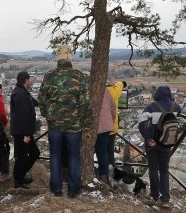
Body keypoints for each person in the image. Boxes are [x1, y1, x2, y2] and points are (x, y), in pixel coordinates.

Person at [38, 47, 93, 198]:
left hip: (55, 124)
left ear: (58, 58)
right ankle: (73, 189)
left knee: (55, 154)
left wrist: (47, 115)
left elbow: (41, 99)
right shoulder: (78, 76)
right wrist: (88, 123)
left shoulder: (49, 76)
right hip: (74, 126)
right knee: (74, 155)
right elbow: (85, 103)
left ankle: (56, 188)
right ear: (70, 58)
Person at [138, 85, 181, 208]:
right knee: (164, 169)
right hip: (167, 143)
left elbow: (141, 124)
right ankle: (165, 199)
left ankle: (155, 196)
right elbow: (179, 115)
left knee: (153, 168)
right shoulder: (175, 107)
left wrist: (148, 139)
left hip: (153, 144)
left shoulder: (151, 107)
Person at [9, 71, 40, 189]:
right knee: (22, 156)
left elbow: (34, 103)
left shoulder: (22, 92)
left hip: (24, 131)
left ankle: (20, 175)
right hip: (22, 132)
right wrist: (27, 134)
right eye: (30, 79)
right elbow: (23, 116)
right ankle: (18, 180)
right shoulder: (20, 94)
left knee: (34, 153)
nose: (31, 81)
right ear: (26, 80)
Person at [94, 86, 116, 184]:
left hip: (94, 126)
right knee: (102, 151)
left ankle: (96, 172)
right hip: (106, 125)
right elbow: (112, 105)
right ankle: (104, 175)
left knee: (89, 151)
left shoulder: (87, 89)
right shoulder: (105, 89)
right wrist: (112, 119)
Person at [105, 81, 126, 168]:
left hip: (100, 128)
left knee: (101, 151)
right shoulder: (115, 91)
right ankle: (111, 170)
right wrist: (122, 83)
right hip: (112, 128)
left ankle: (102, 171)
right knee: (110, 151)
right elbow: (120, 84)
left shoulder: (100, 92)